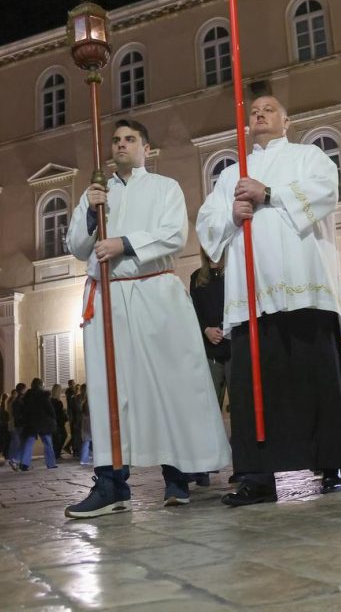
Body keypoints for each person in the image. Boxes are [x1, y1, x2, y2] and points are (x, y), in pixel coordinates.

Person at [67, 119, 231, 517]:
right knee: (110, 391)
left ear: (146, 148)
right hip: (108, 298)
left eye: (130, 139)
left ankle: (176, 478)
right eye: (116, 140)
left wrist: (123, 243)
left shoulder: (164, 188)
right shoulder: (96, 193)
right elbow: (75, 245)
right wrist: (91, 212)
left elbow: (173, 233)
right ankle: (111, 483)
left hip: (154, 293)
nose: (121, 145)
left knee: (167, 383)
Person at [196, 95, 341, 506]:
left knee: (311, 375)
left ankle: (327, 463)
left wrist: (270, 193)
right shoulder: (230, 175)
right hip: (252, 295)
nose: (258, 114)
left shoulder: (308, 156)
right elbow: (207, 225)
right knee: (254, 386)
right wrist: (232, 214)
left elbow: (326, 192)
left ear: (287, 120)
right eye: (253, 111)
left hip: (303, 285)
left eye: (268, 109)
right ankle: (258, 475)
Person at [189, 248, 231, 409]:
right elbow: (193, 310)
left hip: (234, 344)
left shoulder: (232, 272)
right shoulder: (197, 277)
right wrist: (206, 329)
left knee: (241, 402)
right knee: (211, 403)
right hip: (210, 349)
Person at [19, 378, 59, 471]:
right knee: (48, 443)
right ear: (41, 385)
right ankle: (51, 463)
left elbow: (24, 410)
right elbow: (50, 409)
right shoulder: (43, 395)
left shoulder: (27, 396)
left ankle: (24, 464)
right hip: (44, 422)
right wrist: (53, 417)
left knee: (29, 443)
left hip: (31, 423)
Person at [50, 384, 67, 460]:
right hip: (59, 422)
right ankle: (57, 453)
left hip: (53, 422)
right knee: (62, 436)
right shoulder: (57, 402)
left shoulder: (50, 400)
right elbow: (59, 413)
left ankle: (56, 453)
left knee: (55, 439)